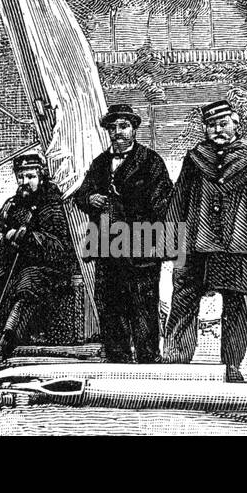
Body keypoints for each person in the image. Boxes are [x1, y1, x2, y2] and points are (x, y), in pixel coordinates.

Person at [163, 100, 247, 382]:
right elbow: (179, 201)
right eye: (211, 125)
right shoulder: (195, 158)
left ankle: (231, 367)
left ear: (236, 123)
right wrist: (171, 242)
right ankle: (175, 361)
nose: (217, 130)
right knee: (183, 299)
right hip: (197, 243)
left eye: (223, 124)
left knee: (236, 305)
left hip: (238, 246)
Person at [0, 151, 78, 361]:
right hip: (11, 264)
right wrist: (6, 238)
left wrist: (30, 237)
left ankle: (8, 340)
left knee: (27, 282)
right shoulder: (12, 204)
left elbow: (61, 247)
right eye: (21, 177)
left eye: (30, 177)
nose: (24, 182)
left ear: (42, 176)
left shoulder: (52, 205)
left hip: (46, 270)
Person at [74, 103, 175, 363]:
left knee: (142, 304)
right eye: (113, 127)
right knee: (110, 303)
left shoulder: (151, 161)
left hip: (140, 243)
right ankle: (117, 358)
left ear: (134, 129)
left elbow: (164, 205)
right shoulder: (99, 163)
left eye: (124, 126)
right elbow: (81, 195)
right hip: (107, 244)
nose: (118, 132)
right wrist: (90, 198)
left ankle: (148, 359)